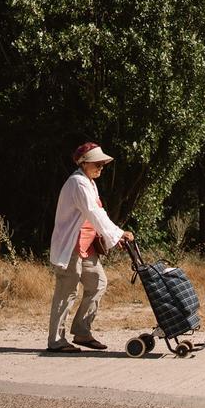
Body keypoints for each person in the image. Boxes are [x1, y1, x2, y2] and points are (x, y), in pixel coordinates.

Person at [46, 141, 134, 352]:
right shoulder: (77, 183)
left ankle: (82, 332)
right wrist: (118, 233)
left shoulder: (89, 182)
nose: (100, 168)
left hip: (87, 246)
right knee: (66, 292)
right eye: (97, 164)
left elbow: (99, 214)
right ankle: (56, 341)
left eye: (102, 164)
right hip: (72, 247)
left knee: (98, 283)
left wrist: (116, 233)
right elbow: (93, 213)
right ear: (84, 163)